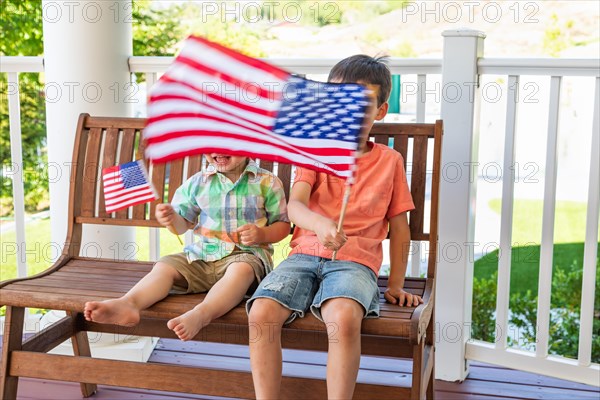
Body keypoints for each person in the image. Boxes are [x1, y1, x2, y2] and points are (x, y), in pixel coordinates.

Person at [246, 55, 423, 399]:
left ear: (381, 111)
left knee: (342, 318)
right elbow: (294, 206)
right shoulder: (314, 152)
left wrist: (396, 284)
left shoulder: (390, 162)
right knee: (262, 312)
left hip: (355, 262)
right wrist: (319, 223)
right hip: (303, 255)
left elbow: (400, 228)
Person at [84, 154, 290, 341]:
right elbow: (182, 226)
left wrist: (262, 234)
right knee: (166, 266)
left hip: (246, 255)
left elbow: (283, 225)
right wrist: (171, 218)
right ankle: (129, 303)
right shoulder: (197, 182)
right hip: (203, 255)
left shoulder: (267, 182)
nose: (216, 151)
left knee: (241, 270)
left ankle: (201, 314)